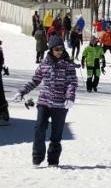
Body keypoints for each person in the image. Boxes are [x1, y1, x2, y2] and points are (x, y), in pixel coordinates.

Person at [18, 36, 77, 167]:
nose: (60, 51)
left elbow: (72, 83)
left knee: (56, 134)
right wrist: (22, 91)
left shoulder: (68, 65)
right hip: (44, 102)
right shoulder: (44, 64)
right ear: (51, 49)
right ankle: (37, 157)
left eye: (61, 49)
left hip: (61, 104)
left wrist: (70, 97)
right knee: (39, 129)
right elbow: (35, 81)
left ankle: (53, 160)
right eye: (57, 49)